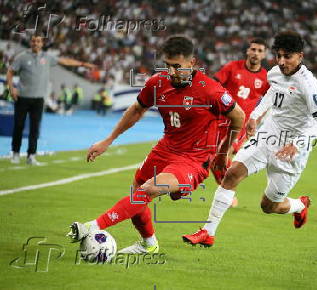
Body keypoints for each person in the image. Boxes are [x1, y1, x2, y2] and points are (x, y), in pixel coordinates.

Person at [67, 36, 245, 254]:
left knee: (148, 189)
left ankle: (91, 227)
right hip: (164, 149)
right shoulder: (157, 83)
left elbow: (238, 116)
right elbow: (137, 110)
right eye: (167, 65)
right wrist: (109, 140)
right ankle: (148, 243)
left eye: (177, 67)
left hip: (193, 159)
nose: (171, 72)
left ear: (192, 63)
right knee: (136, 193)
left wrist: (223, 151)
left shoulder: (210, 90)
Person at [182, 31, 317, 247]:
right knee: (231, 174)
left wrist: (297, 144)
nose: (281, 61)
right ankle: (208, 232)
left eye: (287, 57)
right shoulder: (275, 73)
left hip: (291, 150)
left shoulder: (308, 84)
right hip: (267, 136)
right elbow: (270, 95)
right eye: (278, 56)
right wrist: (254, 117)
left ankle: (299, 206)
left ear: (300, 56)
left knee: (268, 206)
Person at [7, 33, 95, 165]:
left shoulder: (47, 57)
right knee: (18, 126)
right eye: (33, 41)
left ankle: (31, 156)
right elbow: (10, 71)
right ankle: (15, 154)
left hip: (38, 99)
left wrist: (82, 63)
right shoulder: (22, 57)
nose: (35, 43)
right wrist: (11, 88)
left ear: (42, 44)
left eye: (38, 41)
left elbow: (64, 61)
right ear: (30, 43)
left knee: (35, 128)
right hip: (22, 97)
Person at [211, 38, 269, 208]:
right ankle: (225, 190)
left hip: (241, 124)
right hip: (221, 119)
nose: (256, 53)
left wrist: (257, 119)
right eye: (253, 49)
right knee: (215, 160)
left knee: (226, 152)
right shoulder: (232, 67)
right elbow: (214, 84)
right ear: (248, 51)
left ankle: (228, 194)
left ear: (264, 55)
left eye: (259, 51)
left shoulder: (265, 77)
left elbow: (269, 100)